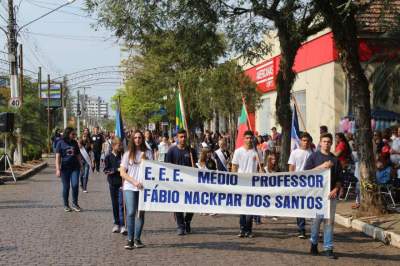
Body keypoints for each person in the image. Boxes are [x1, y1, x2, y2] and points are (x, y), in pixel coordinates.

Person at [304, 133, 343, 259]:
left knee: (329, 222)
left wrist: (335, 190)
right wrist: (322, 166)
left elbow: (339, 179)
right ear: (320, 143)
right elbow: (306, 173)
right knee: (316, 222)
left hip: (331, 196)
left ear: (331, 144)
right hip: (317, 196)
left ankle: (328, 248)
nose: (326, 143)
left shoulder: (335, 160)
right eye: (324, 141)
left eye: (328, 142)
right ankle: (314, 244)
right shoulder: (313, 157)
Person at [120, 130, 153, 249]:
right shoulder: (127, 154)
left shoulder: (148, 153)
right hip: (130, 186)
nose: (137, 139)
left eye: (139, 137)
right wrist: (134, 181)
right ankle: (129, 239)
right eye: (135, 138)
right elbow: (122, 173)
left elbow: (152, 170)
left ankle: (137, 239)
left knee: (140, 213)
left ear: (143, 139)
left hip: (143, 188)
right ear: (132, 140)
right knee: (130, 212)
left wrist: (147, 160)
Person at [165, 129, 198, 235]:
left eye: (184, 136)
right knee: (178, 204)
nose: (183, 139)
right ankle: (180, 225)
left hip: (190, 183)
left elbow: (196, 166)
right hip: (177, 183)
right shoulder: (171, 151)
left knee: (192, 204)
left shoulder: (191, 151)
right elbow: (167, 167)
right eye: (181, 137)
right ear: (177, 138)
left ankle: (187, 220)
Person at [232, 130, 261, 238]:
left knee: (250, 207)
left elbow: (261, 166)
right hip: (241, 183)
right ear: (243, 139)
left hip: (253, 183)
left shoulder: (257, 152)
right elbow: (234, 167)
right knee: (242, 208)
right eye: (247, 138)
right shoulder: (238, 151)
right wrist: (233, 181)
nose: (249, 140)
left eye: (250, 138)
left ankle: (249, 229)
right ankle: (242, 228)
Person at [288, 132, 313, 239]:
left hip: (310, 183)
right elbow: (291, 167)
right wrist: (291, 181)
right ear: (300, 141)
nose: (305, 142)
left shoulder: (313, 153)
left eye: (307, 140)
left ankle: (314, 228)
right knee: (300, 206)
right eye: (303, 140)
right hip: (298, 183)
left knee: (310, 205)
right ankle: (301, 229)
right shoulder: (295, 153)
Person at [55, 127, 83, 212]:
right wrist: (57, 169)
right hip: (65, 168)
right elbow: (57, 157)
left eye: (75, 134)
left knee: (75, 185)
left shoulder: (74, 142)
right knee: (66, 187)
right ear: (68, 134)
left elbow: (78, 155)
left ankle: (75, 204)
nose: (74, 135)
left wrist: (81, 165)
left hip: (75, 168)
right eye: (73, 134)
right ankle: (66, 205)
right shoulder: (60, 143)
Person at [104, 137, 125, 233]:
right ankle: (116, 223)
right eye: (118, 145)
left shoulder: (123, 156)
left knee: (122, 204)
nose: (120, 146)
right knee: (115, 204)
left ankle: (123, 224)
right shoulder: (108, 156)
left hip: (122, 183)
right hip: (112, 183)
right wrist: (116, 169)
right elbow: (106, 170)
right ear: (113, 146)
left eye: (121, 145)